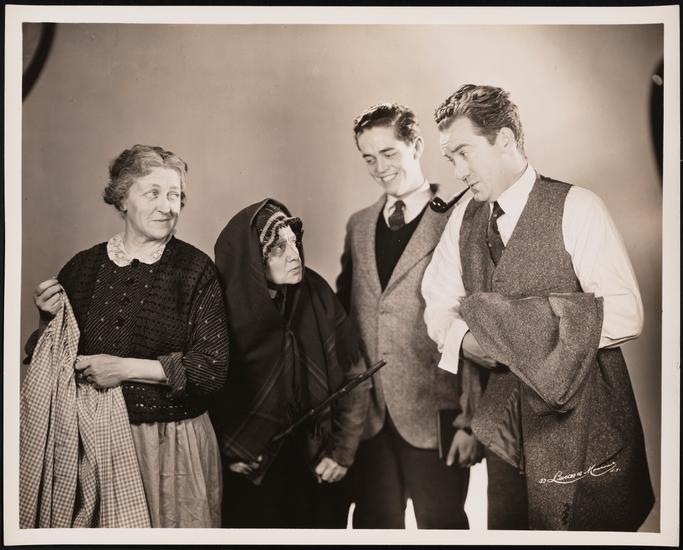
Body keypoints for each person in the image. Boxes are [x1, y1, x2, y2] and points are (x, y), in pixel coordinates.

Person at [422, 84, 655, 530]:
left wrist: (505, 329)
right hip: (506, 433)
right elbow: (437, 301)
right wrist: (465, 339)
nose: (457, 171)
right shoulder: (462, 220)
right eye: (451, 159)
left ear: (505, 139)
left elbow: (627, 312)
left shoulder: (579, 207)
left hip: (583, 424)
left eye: (464, 153)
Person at [28, 144, 230, 527]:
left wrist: (122, 369)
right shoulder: (83, 267)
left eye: (174, 195)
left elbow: (211, 370)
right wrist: (47, 320)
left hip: (171, 448)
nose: (167, 206)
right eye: (153, 193)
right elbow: (50, 362)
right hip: (91, 442)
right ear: (122, 199)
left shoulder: (195, 269)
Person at [336, 103, 478, 529]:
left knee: (443, 528)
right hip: (371, 419)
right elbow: (345, 317)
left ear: (416, 146)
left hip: (436, 416)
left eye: (389, 153)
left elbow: (477, 322)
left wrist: (471, 421)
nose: (379, 168)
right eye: (368, 158)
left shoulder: (458, 218)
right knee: (374, 529)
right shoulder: (359, 225)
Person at [212, 198, 370, 528]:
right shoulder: (222, 306)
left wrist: (342, 453)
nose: (294, 255)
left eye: (294, 242)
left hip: (315, 460)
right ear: (251, 260)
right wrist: (226, 454)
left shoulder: (316, 294)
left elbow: (356, 377)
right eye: (277, 248)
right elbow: (205, 390)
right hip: (248, 468)